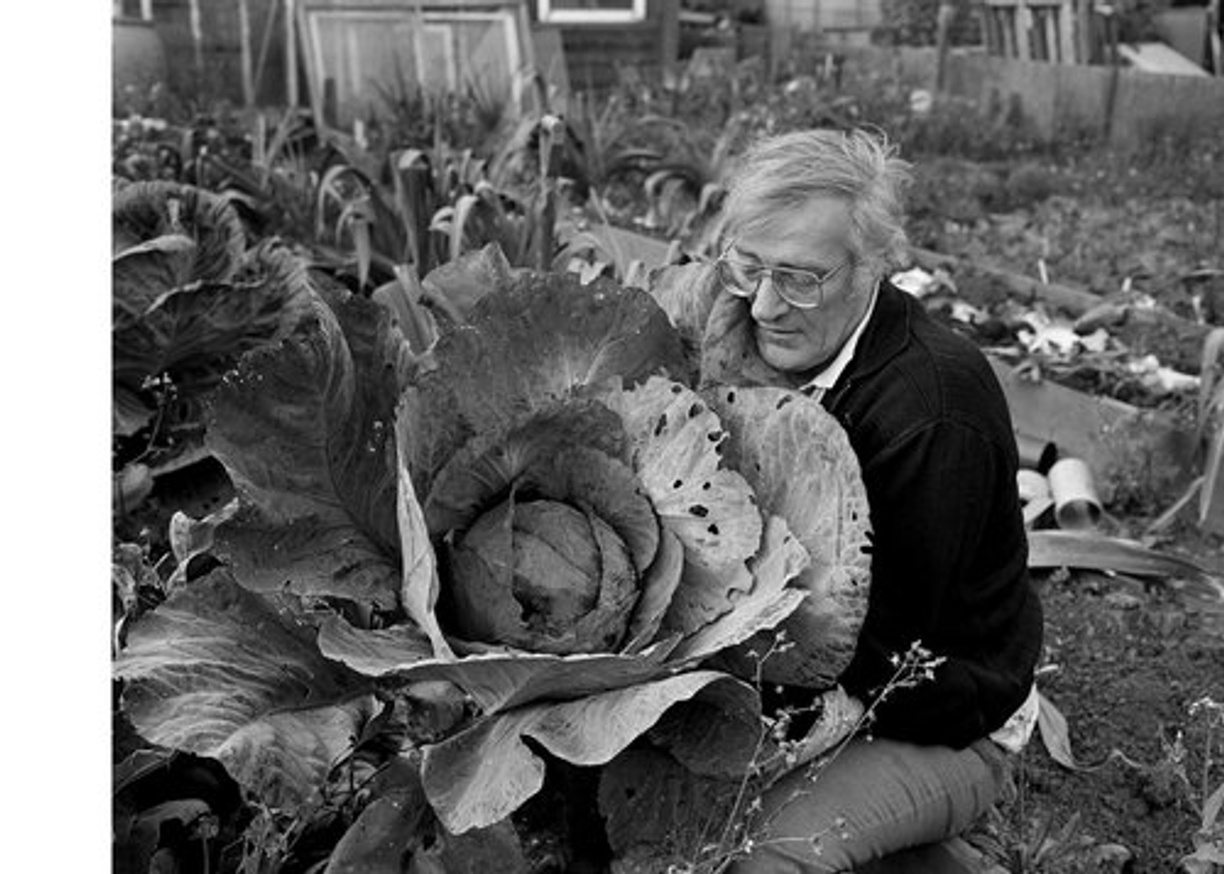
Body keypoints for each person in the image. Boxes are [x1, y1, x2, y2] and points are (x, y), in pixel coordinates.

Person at [695, 128, 1045, 872]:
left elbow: (884, 664)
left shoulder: (932, 413)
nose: (763, 306)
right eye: (748, 267)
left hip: (939, 720)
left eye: (800, 277)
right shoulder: (749, 333)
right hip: (806, 680)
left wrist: (719, 715)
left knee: (753, 852)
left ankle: (937, 826)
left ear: (875, 267)